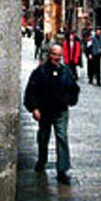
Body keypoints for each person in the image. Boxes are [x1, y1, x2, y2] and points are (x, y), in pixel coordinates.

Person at [24, 44, 80, 185]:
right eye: (55, 55)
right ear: (50, 55)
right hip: (45, 111)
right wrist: (34, 108)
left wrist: (69, 100)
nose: (58, 58)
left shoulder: (65, 71)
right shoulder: (40, 72)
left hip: (61, 110)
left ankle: (62, 169)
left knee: (62, 137)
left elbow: (74, 88)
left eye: (60, 55)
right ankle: (42, 160)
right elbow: (31, 90)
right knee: (43, 137)